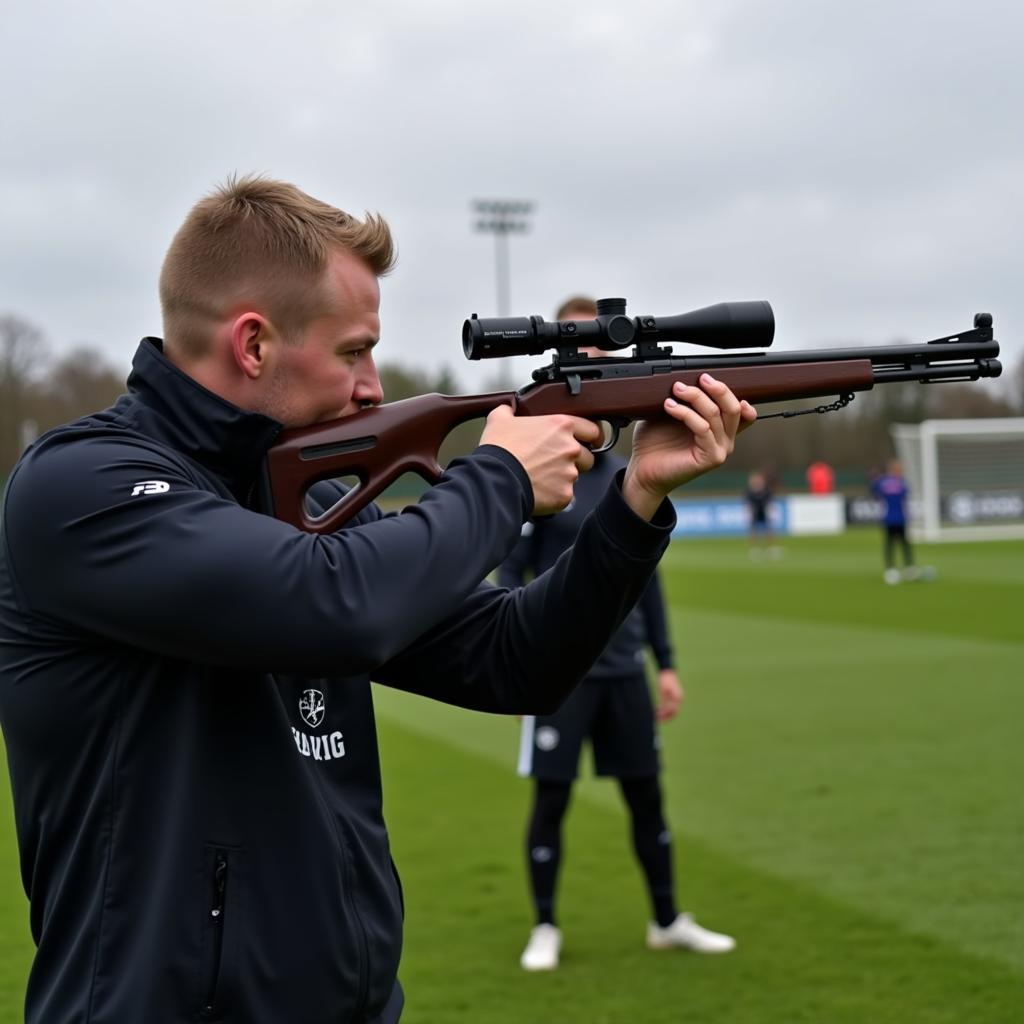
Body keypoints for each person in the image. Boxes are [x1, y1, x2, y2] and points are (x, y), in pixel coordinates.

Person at [0, 178, 755, 1023]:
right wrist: (499, 477)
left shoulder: (308, 505)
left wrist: (633, 504)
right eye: (354, 351)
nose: (371, 386)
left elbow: (518, 663)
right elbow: (334, 602)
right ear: (253, 344)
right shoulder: (79, 486)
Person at [501, 296, 736, 974]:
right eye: (586, 352)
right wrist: (520, 653)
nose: (598, 365)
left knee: (646, 795)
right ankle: (544, 925)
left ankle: (667, 919)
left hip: (625, 667)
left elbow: (645, 577)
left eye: (608, 354)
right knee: (551, 799)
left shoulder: (629, 467)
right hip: (560, 675)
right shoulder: (547, 468)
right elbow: (508, 573)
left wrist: (666, 662)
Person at [871, 457, 915, 583]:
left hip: (892, 517)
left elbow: (875, 493)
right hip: (896, 517)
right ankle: (906, 568)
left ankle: (893, 569)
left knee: (894, 544)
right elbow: (906, 496)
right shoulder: (901, 483)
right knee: (901, 544)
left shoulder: (882, 482)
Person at [745, 469, 780, 559]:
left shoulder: (766, 490)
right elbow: (748, 503)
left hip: (765, 512)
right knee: (753, 531)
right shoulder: (750, 491)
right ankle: (754, 549)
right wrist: (750, 512)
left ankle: (771, 548)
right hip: (755, 513)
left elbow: (770, 501)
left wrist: (771, 511)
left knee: (769, 530)